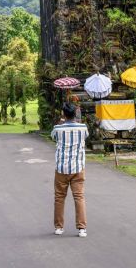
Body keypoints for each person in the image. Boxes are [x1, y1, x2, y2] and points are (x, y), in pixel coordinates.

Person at [51, 101, 89, 237]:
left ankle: (59, 227)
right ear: (75, 113)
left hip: (61, 167)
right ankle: (82, 228)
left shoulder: (57, 128)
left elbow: (53, 138)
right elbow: (86, 137)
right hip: (78, 167)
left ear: (63, 114)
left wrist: (61, 122)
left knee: (59, 197)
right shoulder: (83, 127)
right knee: (79, 196)